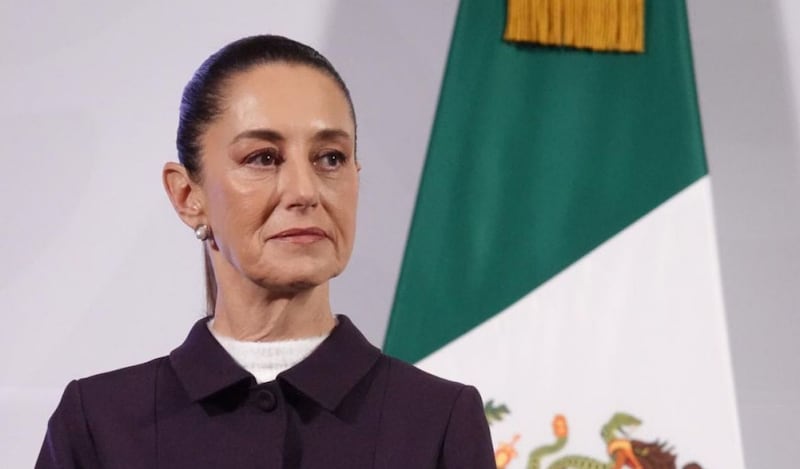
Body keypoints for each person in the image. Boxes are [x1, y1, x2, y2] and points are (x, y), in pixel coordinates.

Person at [36, 34, 495, 468]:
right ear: (186, 195)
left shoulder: (438, 420)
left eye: (330, 158)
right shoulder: (98, 425)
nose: (304, 191)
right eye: (263, 158)